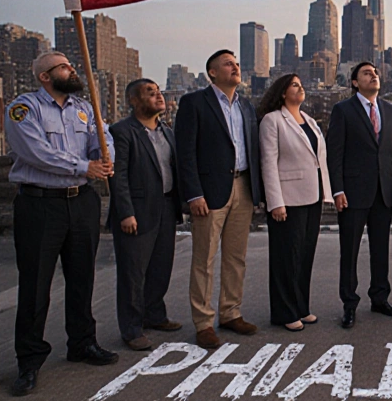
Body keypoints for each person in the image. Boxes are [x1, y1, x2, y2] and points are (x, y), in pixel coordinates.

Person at [4, 50, 117, 396]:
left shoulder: (83, 108)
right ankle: (29, 360)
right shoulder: (24, 109)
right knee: (36, 283)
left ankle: (82, 342)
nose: (71, 70)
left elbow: (104, 136)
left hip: (81, 202)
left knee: (82, 277)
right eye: (64, 67)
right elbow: (35, 152)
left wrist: (103, 151)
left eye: (70, 65)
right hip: (41, 204)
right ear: (44, 76)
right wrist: (85, 167)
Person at [174, 50, 263, 349]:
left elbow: (252, 150)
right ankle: (203, 322)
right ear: (212, 72)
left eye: (237, 63)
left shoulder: (246, 106)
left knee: (236, 257)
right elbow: (184, 153)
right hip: (210, 192)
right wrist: (194, 193)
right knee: (204, 258)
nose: (235, 67)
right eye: (228, 63)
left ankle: (230, 312)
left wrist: (257, 191)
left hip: (243, 187)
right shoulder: (194, 103)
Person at [327, 61, 392, 328]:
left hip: (383, 191)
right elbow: (335, 154)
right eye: (366, 73)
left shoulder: (389, 110)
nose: (373, 75)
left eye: (375, 73)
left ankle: (380, 298)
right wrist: (337, 189)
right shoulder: (343, 110)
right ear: (354, 82)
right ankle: (349, 304)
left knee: (380, 249)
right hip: (352, 192)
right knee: (349, 250)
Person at [108, 78, 183, 351]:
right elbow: (119, 176)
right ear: (134, 101)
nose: (158, 96)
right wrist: (125, 212)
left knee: (161, 266)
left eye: (159, 92)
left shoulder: (167, 132)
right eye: (150, 93)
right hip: (136, 212)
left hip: (165, 206)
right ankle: (131, 328)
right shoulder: (122, 131)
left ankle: (155, 314)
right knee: (133, 273)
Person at [258, 74, 332, 332]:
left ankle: (301, 306)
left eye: (302, 85)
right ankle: (284, 312)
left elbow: (318, 160)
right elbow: (268, 162)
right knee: (285, 257)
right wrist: (275, 202)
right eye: (294, 85)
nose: (300, 88)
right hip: (287, 199)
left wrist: (327, 193)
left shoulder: (309, 121)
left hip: (312, 196)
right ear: (281, 92)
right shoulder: (272, 120)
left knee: (304, 255)